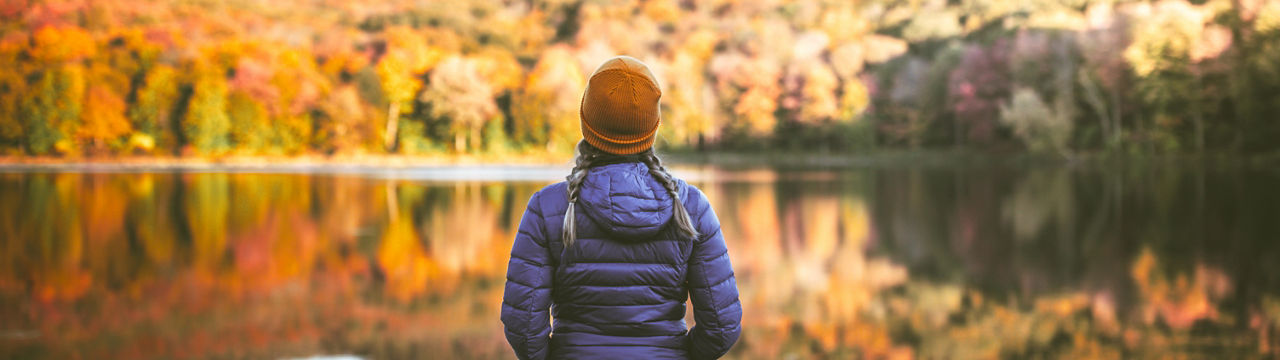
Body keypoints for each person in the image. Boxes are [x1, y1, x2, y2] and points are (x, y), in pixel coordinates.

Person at [501, 56, 742, 359]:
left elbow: (523, 326)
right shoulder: (692, 206)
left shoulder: (548, 207)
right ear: (652, 128)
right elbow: (722, 327)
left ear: (587, 124)